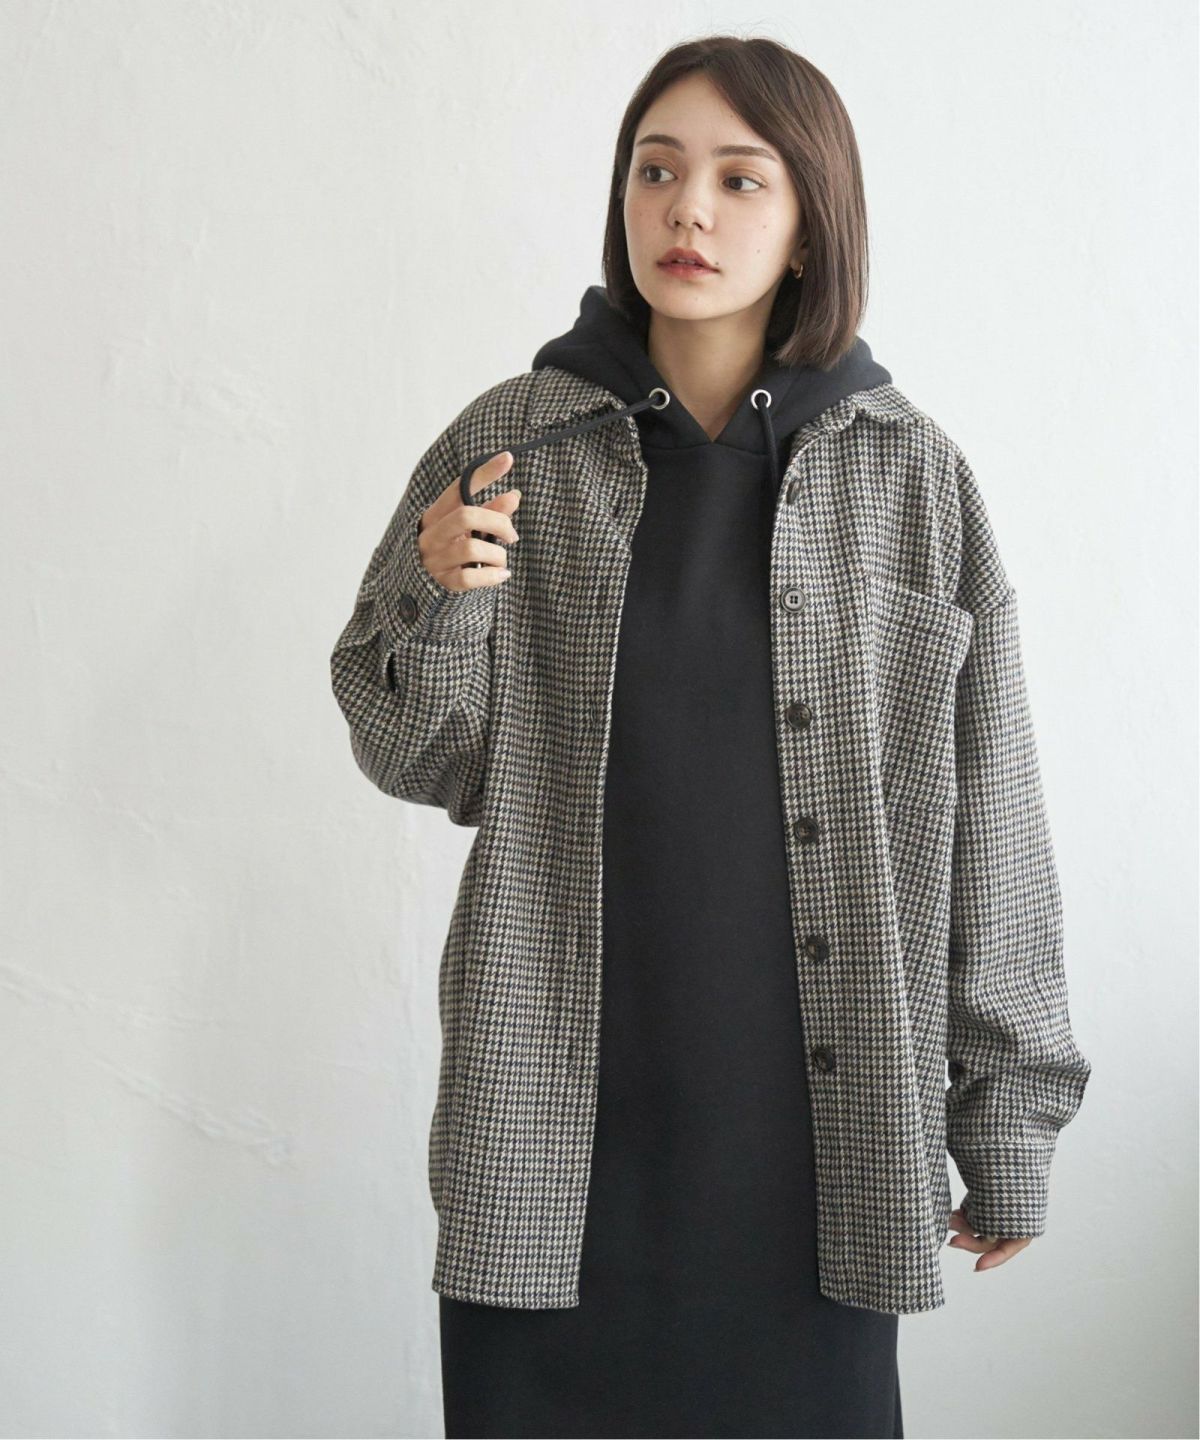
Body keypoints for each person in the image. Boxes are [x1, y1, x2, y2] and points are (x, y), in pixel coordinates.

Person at [330, 34, 1092, 1440]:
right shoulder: (510, 447)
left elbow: (995, 814)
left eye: (742, 180)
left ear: (811, 224)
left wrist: (1008, 1118)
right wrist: (436, 598)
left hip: (818, 1143)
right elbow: (419, 757)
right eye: (657, 170)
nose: (688, 210)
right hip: (555, 1136)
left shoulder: (911, 477)